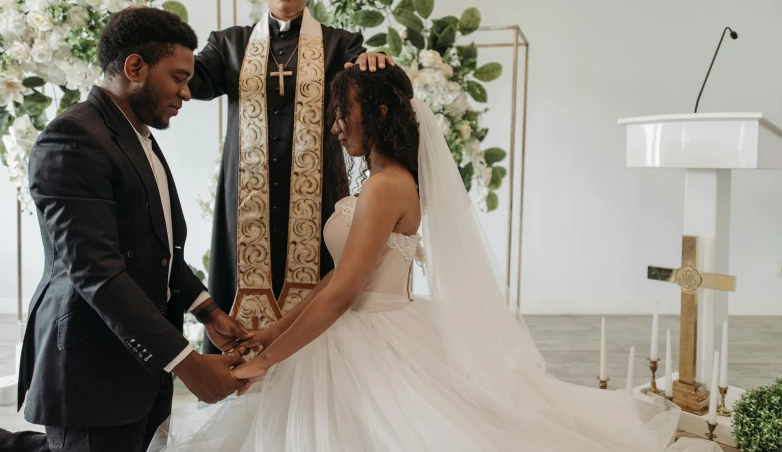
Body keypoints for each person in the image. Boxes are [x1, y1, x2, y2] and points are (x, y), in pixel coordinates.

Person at [150, 65, 720, 451]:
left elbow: (348, 291)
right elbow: (332, 282)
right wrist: (271, 331)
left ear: (374, 113)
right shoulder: (377, 182)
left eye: (343, 110)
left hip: (375, 336)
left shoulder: (386, 187)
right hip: (353, 328)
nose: (335, 124)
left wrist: (267, 361)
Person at [12, 7, 253, 452]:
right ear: (135, 67)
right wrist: (188, 363)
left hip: (142, 373)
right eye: (179, 77)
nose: (186, 91)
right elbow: (97, 271)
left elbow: (155, 248)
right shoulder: (73, 138)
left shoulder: (136, 134)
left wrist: (208, 311)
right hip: (91, 373)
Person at [188, 0, 392, 353]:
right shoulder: (230, 44)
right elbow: (191, 80)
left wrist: (374, 63)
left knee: (319, 278)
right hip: (247, 195)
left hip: (316, 192)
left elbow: (364, 85)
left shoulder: (340, 44)